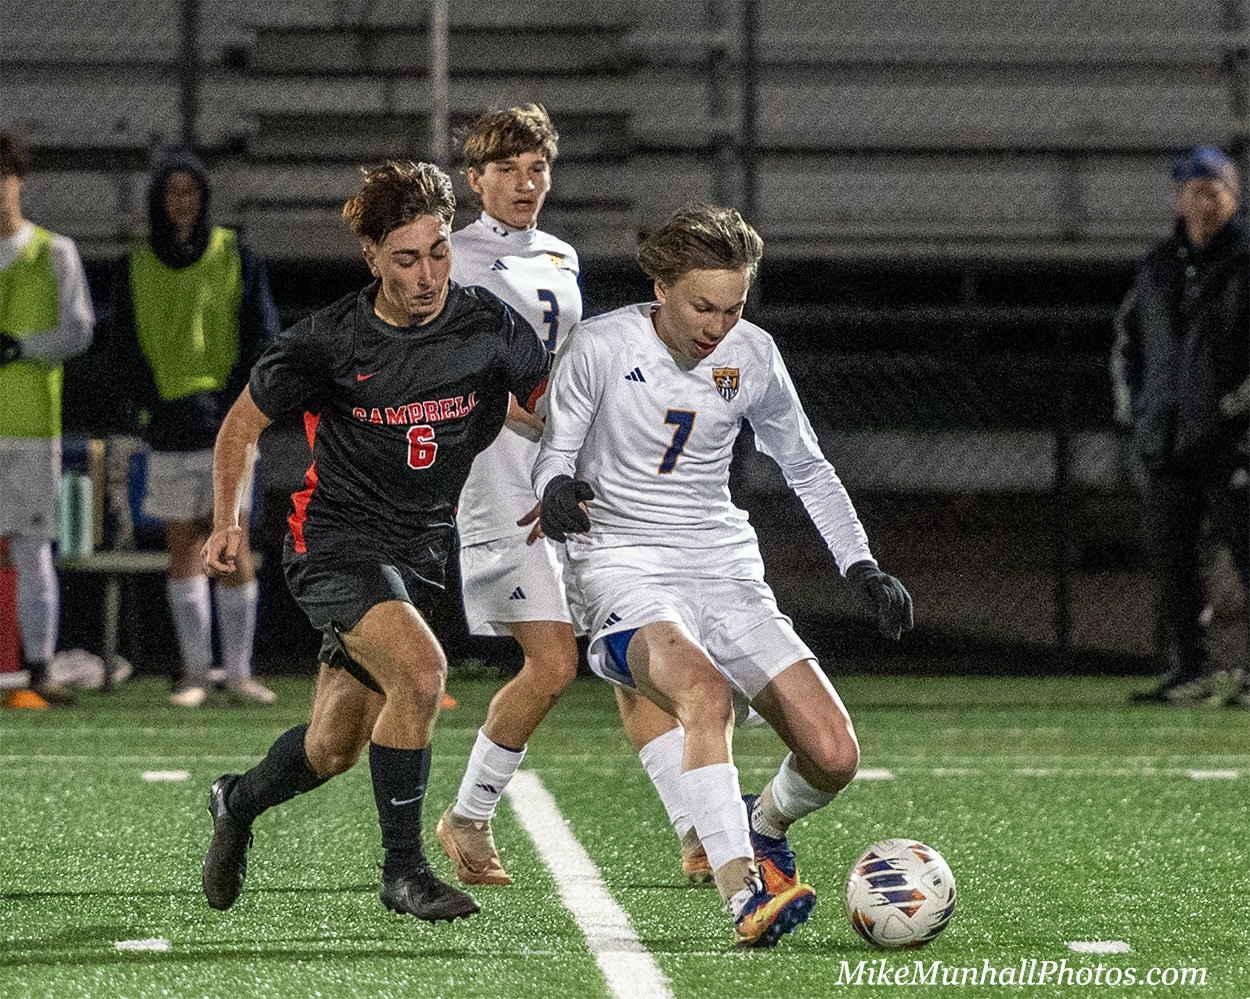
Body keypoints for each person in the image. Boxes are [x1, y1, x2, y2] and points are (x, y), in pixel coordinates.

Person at [531, 204, 913, 948]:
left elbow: (807, 466)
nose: (718, 326)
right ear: (661, 287)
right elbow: (556, 452)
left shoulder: (754, 354)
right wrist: (556, 491)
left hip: (725, 567)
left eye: (733, 307)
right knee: (704, 696)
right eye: (703, 306)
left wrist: (860, 563)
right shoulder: (600, 345)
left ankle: (762, 825)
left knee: (835, 756)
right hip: (623, 567)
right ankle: (744, 893)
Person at [198, 160, 550, 923]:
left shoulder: (487, 325)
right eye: (406, 258)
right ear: (371, 257)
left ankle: (237, 799)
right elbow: (241, 426)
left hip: (420, 552)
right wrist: (227, 520)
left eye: (439, 252)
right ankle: (403, 872)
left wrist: (574, 470)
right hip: (333, 540)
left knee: (333, 748)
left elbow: (551, 405)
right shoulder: (330, 339)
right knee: (422, 673)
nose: (427, 275)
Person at [434, 104, 714, 888]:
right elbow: (445, 363)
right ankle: (467, 815)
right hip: (500, 478)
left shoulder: (561, 254)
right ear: (476, 179)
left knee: (631, 656)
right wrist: (512, 410)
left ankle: (697, 832)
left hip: (570, 476)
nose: (525, 183)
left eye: (538, 169)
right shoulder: (453, 255)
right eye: (508, 170)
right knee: (554, 662)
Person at [107, 148, 279, 707]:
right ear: (157, 201)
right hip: (168, 424)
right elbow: (122, 346)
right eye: (172, 191)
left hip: (228, 422)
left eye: (191, 191)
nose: (182, 201)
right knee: (183, 544)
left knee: (232, 541)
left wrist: (239, 405)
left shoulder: (237, 256)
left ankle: (239, 673)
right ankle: (196, 674)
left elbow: (261, 337)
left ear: (205, 199)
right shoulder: (136, 265)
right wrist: (147, 408)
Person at [1111, 145, 1249, 707]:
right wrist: (1139, 413)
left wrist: (1233, 410)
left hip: (1235, 440)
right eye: (1194, 190)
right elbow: (1129, 341)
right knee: (1176, 559)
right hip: (1170, 440)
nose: (1204, 201)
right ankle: (1193, 671)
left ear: (1233, 196)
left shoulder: (1245, 258)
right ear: (1178, 198)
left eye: (1214, 190)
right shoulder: (1160, 264)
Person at [0, 131, 96, 709]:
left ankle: (39, 669)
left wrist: (22, 347)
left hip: (34, 426)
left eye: (3, 176)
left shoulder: (55, 251)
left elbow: (80, 330)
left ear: (21, 181)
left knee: (33, 548)